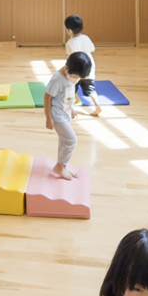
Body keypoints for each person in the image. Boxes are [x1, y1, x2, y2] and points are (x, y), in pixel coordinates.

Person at [44, 52, 92, 180]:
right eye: (75, 77)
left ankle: (62, 166)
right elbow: (47, 97)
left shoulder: (71, 74)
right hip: (57, 114)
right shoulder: (58, 79)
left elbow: (67, 93)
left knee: (64, 140)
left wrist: (71, 108)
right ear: (67, 68)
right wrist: (48, 118)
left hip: (65, 112)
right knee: (71, 140)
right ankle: (59, 167)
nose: (76, 80)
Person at [64, 13, 103, 116]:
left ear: (69, 30)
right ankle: (97, 106)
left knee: (71, 87)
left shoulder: (70, 43)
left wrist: (67, 68)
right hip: (88, 66)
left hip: (76, 69)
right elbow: (92, 49)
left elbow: (71, 58)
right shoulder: (86, 38)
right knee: (90, 88)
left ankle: (70, 107)